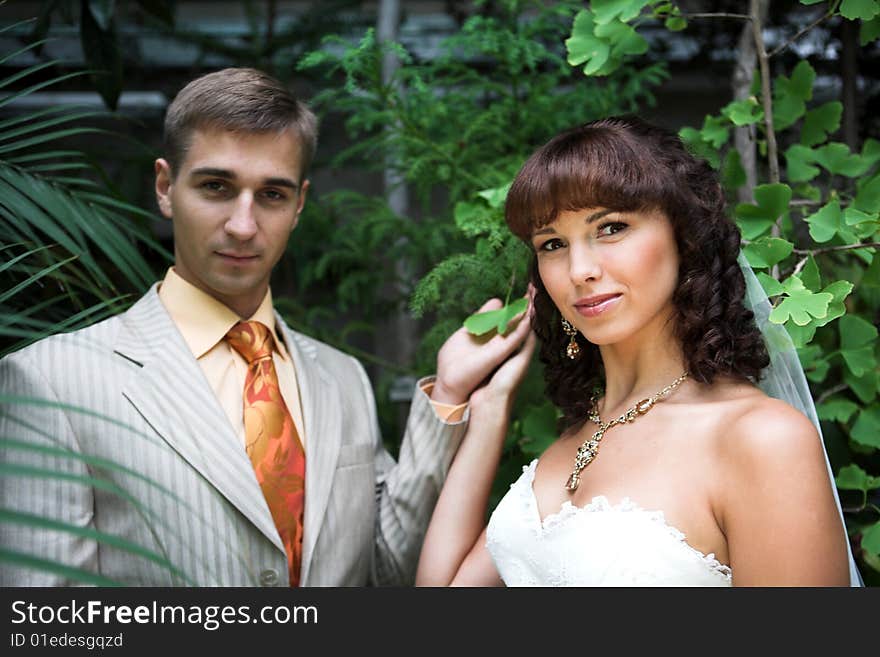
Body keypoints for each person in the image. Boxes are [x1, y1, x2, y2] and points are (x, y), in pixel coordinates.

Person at [0, 67, 531, 587]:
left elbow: (390, 571)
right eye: (215, 187)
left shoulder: (341, 378)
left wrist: (451, 392)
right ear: (165, 187)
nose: (243, 225)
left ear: (298, 204)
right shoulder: (51, 382)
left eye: (271, 195)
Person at [415, 116, 861, 587]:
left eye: (610, 228)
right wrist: (484, 406)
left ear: (684, 237)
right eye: (553, 244)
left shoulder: (761, 439)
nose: (580, 269)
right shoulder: (574, 441)